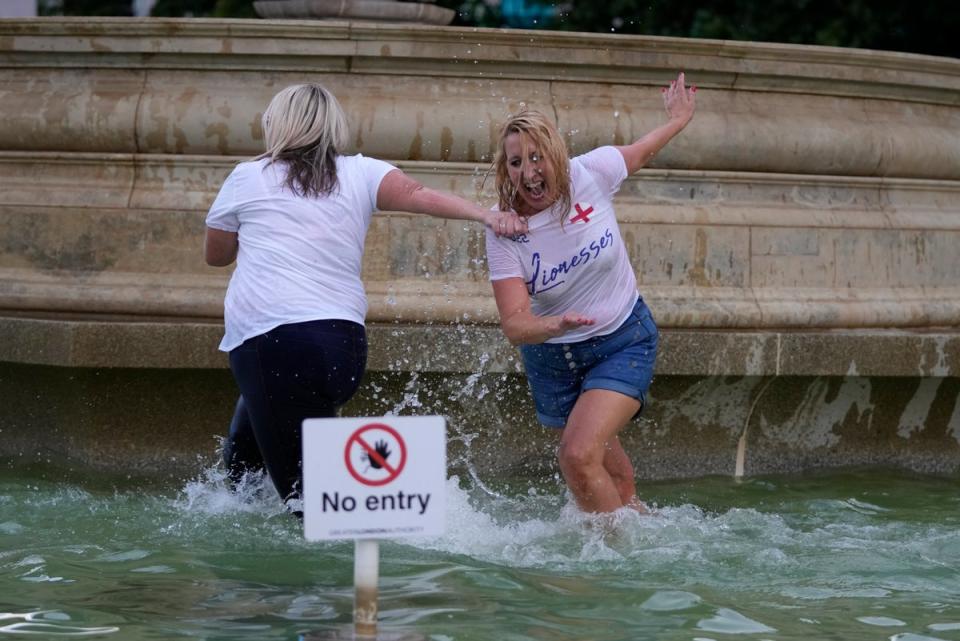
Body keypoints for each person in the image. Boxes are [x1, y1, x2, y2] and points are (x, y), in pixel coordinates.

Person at [204, 83, 526, 514]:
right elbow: (418, 196)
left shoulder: (248, 176)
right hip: (341, 349)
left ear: (276, 126)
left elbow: (216, 255)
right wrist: (485, 214)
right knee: (245, 463)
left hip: (275, 346)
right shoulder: (360, 171)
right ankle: (257, 529)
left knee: (308, 505)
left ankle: (327, 568)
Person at [484, 72, 696, 514]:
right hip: (553, 360)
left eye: (536, 157)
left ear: (556, 155)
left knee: (577, 456)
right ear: (506, 169)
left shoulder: (592, 173)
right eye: (516, 163)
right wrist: (554, 324)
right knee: (610, 472)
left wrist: (678, 120)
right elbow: (515, 326)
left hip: (621, 339)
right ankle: (646, 543)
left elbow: (642, 151)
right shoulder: (505, 230)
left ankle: (609, 561)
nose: (529, 172)